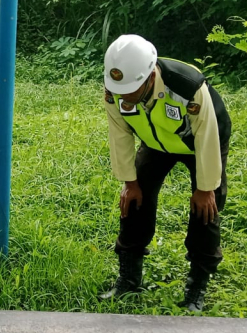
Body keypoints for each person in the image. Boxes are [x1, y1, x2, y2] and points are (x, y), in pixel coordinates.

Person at [99, 34, 231, 312]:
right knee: (134, 200)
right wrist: (129, 181)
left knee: (206, 209)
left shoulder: (187, 86)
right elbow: (120, 135)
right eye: (120, 90)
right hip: (156, 143)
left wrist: (205, 188)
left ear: (150, 75)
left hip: (198, 142)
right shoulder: (116, 90)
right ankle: (129, 277)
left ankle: (198, 283)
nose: (125, 97)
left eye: (132, 89)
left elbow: (207, 135)